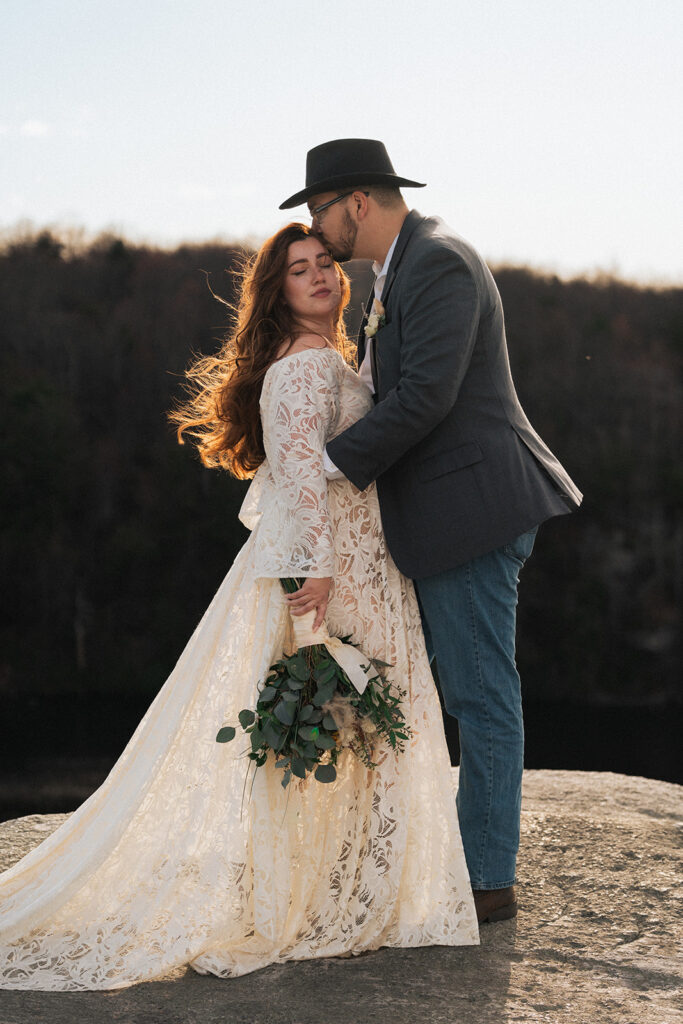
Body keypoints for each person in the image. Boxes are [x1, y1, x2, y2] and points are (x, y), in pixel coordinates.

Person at [0, 223, 478, 991]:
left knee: (355, 729)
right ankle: (301, 894)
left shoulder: (331, 356)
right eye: (299, 269)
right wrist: (313, 589)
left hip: (361, 568)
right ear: (276, 290)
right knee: (321, 731)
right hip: (324, 575)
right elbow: (296, 479)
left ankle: (347, 885)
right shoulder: (298, 370)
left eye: (325, 262)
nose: (319, 276)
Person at [279, 139, 583, 923]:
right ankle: (464, 864)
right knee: (466, 691)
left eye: (319, 209)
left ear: (356, 203)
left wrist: (322, 468)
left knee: (481, 695)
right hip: (448, 516)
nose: (318, 228)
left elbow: (425, 399)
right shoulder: (398, 270)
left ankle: (485, 883)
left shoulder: (439, 261)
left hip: (473, 512)